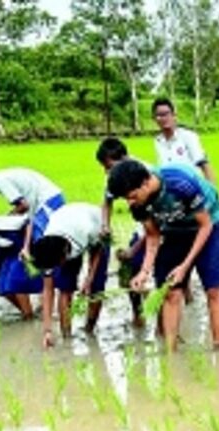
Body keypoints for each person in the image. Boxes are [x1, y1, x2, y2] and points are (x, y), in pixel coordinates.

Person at [106, 160, 219, 352]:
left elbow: (205, 225)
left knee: (214, 289)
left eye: (132, 196)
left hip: (209, 224)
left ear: (146, 183)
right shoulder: (138, 203)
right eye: (126, 198)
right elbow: (153, 235)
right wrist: (144, 271)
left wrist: (185, 266)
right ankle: (170, 352)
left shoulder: (180, 184)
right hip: (174, 229)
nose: (129, 203)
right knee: (170, 291)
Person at [30, 203, 107, 348]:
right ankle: (66, 335)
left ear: (64, 255)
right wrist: (47, 330)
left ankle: (90, 330)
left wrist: (89, 279)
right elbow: (48, 290)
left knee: (97, 286)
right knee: (65, 287)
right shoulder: (47, 247)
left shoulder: (88, 229)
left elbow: (98, 251)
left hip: (97, 227)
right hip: (66, 224)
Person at [0, 167, 65, 261]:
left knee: (44, 238)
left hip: (46, 201)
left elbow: (23, 206)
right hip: (45, 200)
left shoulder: (1, 181)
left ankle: (56, 268)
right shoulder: (1, 177)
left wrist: (5, 219)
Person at [95, 137, 145, 327]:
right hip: (142, 226)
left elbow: (156, 224)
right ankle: (138, 314)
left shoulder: (144, 173)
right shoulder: (114, 177)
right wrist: (105, 225)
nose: (107, 171)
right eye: (104, 167)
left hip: (162, 226)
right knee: (131, 269)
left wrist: (133, 250)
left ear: (124, 158)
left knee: (167, 272)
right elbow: (107, 202)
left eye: (109, 166)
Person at [152, 98, 216, 183]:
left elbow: (204, 165)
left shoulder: (188, 136)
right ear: (154, 119)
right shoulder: (158, 141)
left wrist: (211, 192)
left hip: (193, 188)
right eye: (159, 115)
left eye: (166, 114)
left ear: (174, 115)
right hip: (172, 190)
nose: (163, 118)